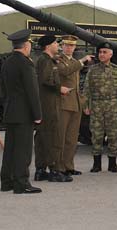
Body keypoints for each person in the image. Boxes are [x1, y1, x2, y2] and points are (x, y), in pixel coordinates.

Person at [0, 29, 42, 194]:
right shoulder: (26, 63)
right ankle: (21, 183)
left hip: (11, 111)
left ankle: (7, 182)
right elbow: (32, 91)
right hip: (24, 113)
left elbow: (3, 89)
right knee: (23, 150)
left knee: (10, 148)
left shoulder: (7, 62)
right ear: (26, 45)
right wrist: (37, 114)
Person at [34, 35, 72, 182]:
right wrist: (60, 88)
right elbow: (45, 80)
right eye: (56, 43)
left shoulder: (45, 60)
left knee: (42, 138)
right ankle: (55, 170)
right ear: (48, 46)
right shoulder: (46, 61)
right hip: (49, 104)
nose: (58, 45)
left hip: (45, 103)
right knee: (53, 137)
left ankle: (41, 170)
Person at [82, 42, 117, 173]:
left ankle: (113, 163)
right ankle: (97, 164)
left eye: (104, 52)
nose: (101, 54)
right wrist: (86, 105)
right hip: (96, 105)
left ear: (110, 54)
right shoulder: (92, 70)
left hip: (112, 105)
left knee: (113, 135)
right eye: (100, 52)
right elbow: (86, 89)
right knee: (96, 135)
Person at [57, 35, 94, 176]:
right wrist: (82, 60)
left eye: (72, 45)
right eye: (66, 45)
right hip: (64, 102)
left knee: (72, 138)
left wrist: (83, 102)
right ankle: (59, 167)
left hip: (75, 103)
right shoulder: (58, 60)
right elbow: (64, 71)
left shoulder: (73, 61)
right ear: (62, 46)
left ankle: (68, 166)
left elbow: (77, 85)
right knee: (61, 137)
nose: (69, 48)